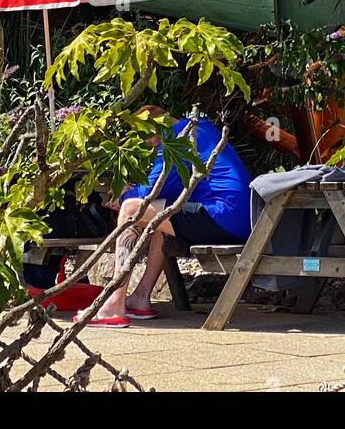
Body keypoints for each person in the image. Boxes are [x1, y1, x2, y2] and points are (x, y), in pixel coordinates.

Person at [89, 107, 251, 326]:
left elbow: (150, 191)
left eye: (143, 135)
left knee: (130, 208)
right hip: (238, 218)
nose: (147, 144)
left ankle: (113, 304)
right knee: (160, 215)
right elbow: (166, 190)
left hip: (222, 216)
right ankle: (140, 299)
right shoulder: (197, 128)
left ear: (153, 125)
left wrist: (123, 195)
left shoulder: (177, 138)